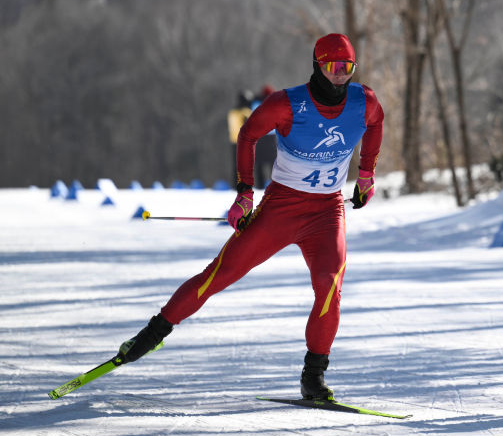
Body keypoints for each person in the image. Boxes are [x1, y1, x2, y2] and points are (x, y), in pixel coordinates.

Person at [117, 33, 384, 400]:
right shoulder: (286, 104)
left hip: (327, 212)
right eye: (332, 67)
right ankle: (153, 332)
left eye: (347, 68)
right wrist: (244, 193)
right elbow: (248, 135)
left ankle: (313, 376)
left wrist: (367, 173)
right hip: (281, 209)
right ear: (317, 65)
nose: (340, 75)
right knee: (220, 274)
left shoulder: (363, 101)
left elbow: (377, 123)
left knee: (330, 287)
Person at [252, 85, 278, 188]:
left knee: (259, 162)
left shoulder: (255, 104)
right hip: (271, 137)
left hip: (260, 136)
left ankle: (260, 185)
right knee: (273, 162)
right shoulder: (274, 104)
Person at [227, 91, 254, 188]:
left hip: (233, 141)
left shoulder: (232, 112)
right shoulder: (246, 112)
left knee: (236, 165)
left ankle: (235, 184)